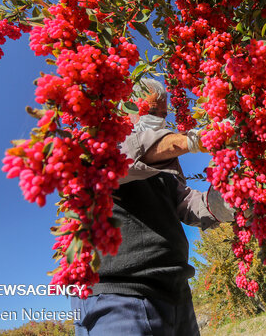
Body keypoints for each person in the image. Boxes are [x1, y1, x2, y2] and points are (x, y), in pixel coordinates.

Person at [70, 78, 234, 336]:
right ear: (124, 108)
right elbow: (132, 154)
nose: (159, 119)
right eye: (151, 111)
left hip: (175, 291)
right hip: (119, 297)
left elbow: (187, 203)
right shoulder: (98, 147)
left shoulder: (165, 161)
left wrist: (228, 201)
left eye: (163, 114)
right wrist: (191, 141)